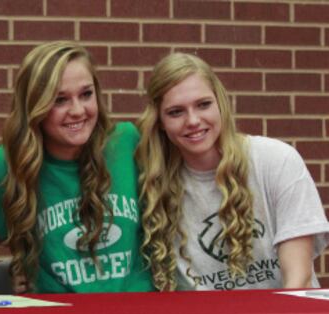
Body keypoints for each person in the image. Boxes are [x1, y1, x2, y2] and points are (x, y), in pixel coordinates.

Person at [0, 41, 153, 293]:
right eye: (60, 100)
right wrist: (23, 259)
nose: (77, 110)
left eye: (86, 94)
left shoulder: (128, 142)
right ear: (34, 105)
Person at [137, 52, 329, 291]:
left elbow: (297, 282)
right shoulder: (152, 184)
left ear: (220, 103)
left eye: (203, 104)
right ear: (160, 122)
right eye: (176, 112)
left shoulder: (275, 161)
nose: (193, 120)